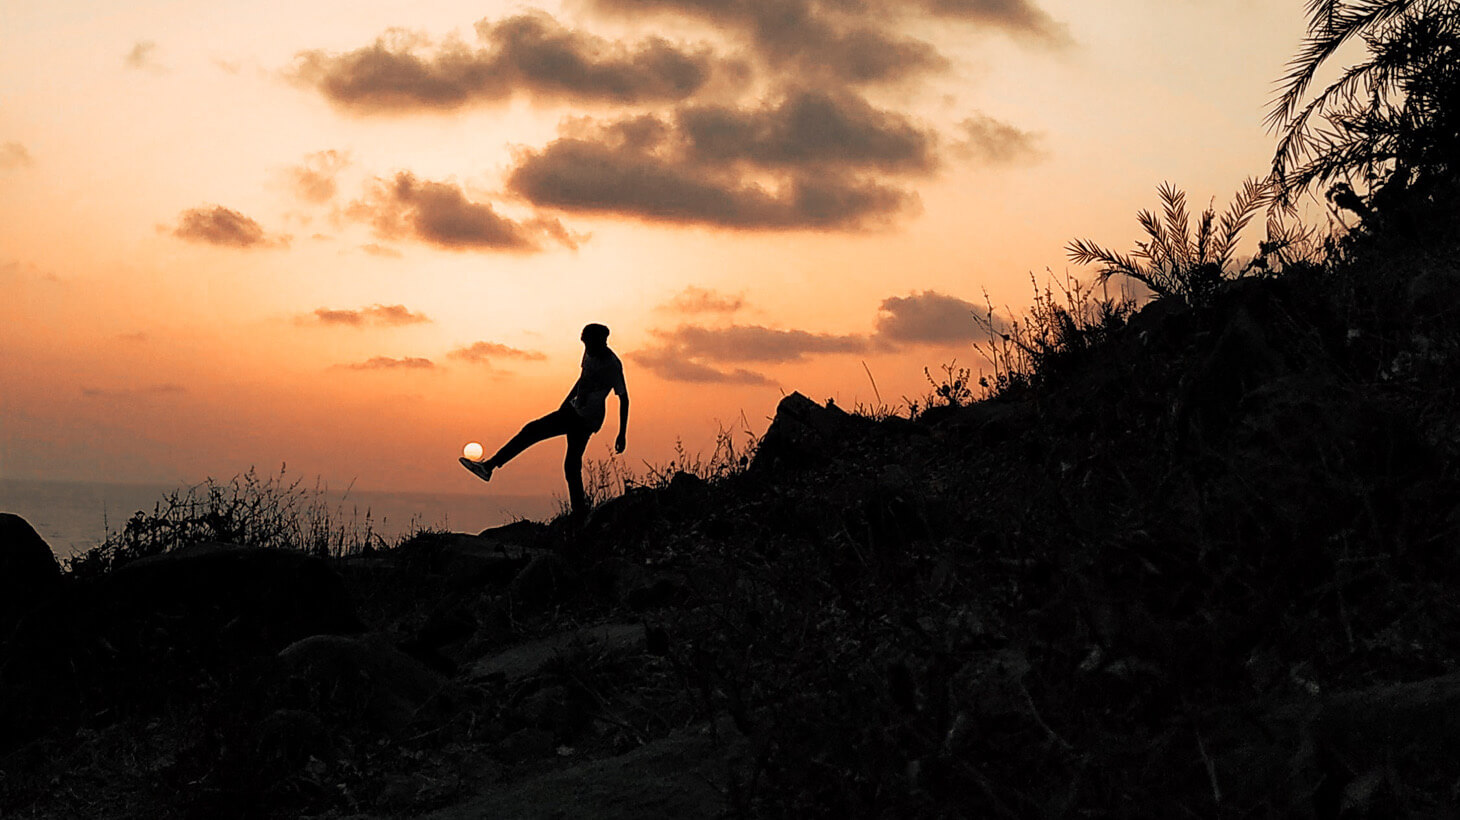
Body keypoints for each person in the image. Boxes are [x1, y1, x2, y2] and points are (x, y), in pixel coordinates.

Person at [461, 323, 628, 514]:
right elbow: (582, 380)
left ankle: (489, 467)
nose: (586, 347)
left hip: (587, 419)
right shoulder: (589, 353)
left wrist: (622, 434)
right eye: (584, 343)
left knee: (534, 432)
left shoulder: (612, 366)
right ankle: (580, 513)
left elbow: (624, 398)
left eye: (589, 343)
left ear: (602, 341)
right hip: (573, 412)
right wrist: (565, 404)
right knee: (569, 463)